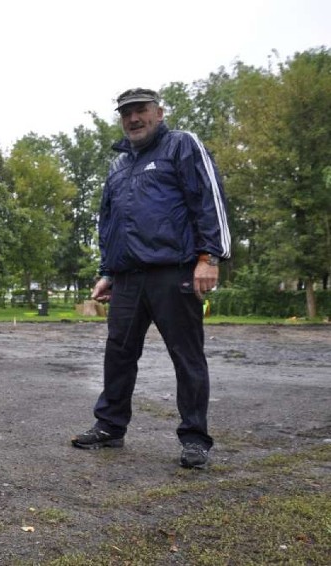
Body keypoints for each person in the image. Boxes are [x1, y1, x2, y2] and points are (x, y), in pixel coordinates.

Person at [71, 88, 231, 469]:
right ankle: (110, 426)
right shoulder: (118, 166)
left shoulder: (181, 146)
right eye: (126, 113)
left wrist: (209, 257)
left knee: (186, 356)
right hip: (127, 278)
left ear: (159, 112)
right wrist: (108, 271)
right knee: (118, 354)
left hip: (174, 270)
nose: (133, 119)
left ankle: (194, 439)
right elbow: (109, 222)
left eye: (141, 110)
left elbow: (209, 199)